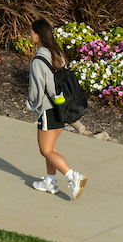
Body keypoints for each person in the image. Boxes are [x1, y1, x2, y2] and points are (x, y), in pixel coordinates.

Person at [27, 18, 87, 200]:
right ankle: (50, 182)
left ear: (37, 36)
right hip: (61, 108)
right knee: (51, 147)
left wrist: (30, 104)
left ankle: (73, 177)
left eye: (31, 32)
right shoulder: (57, 54)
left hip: (48, 109)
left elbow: (38, 88)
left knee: (45, 150)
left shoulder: (38, 59)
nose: (29, 35)